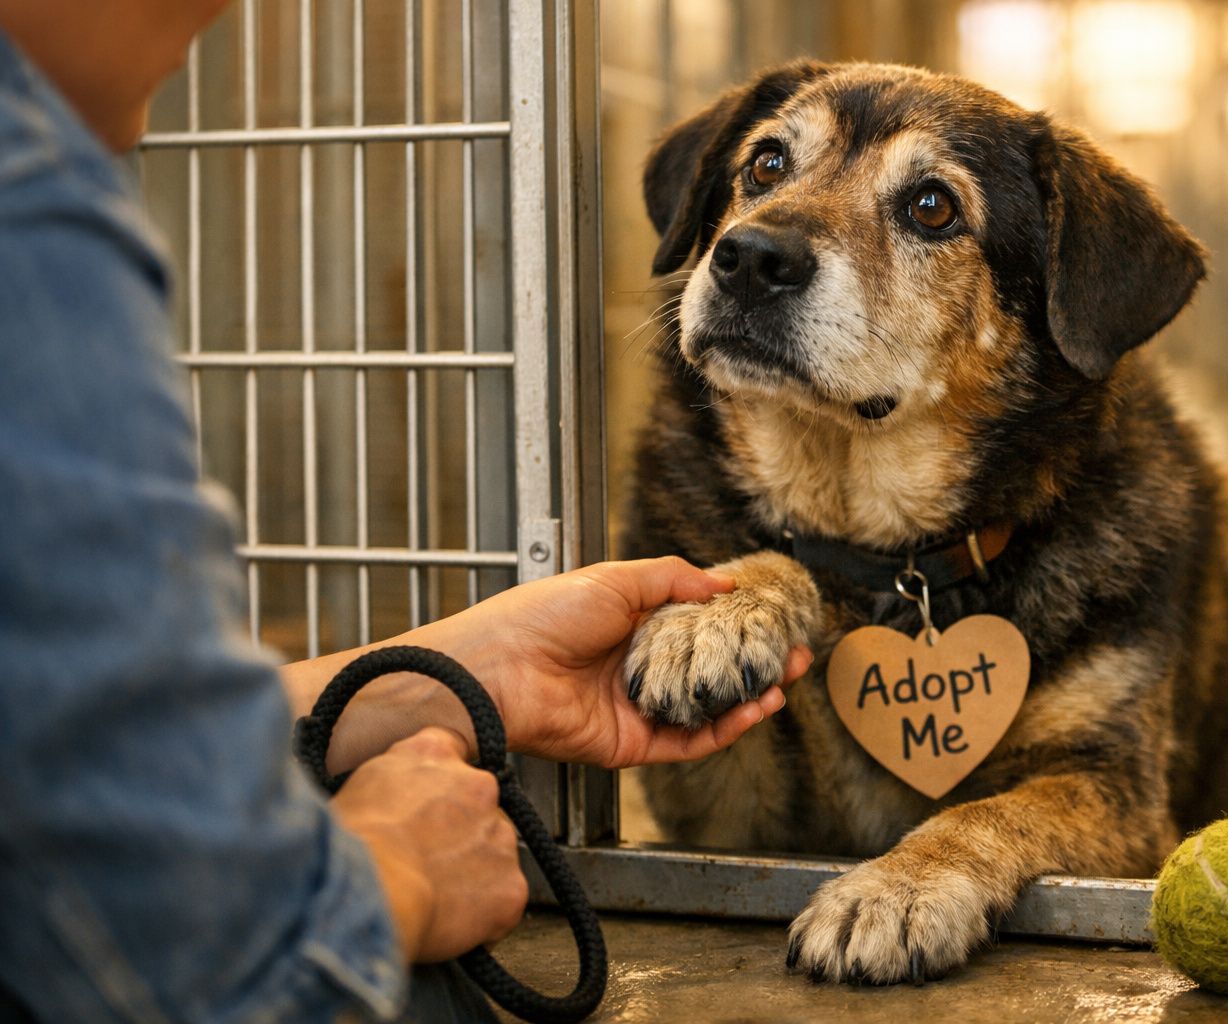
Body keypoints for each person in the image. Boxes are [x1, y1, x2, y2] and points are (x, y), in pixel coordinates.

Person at [0, 2, 811, 1020]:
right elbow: (213, 970)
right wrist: (394, 873)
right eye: (769, 168)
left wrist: (462, 674)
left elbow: (48, 749)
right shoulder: (28, 214)